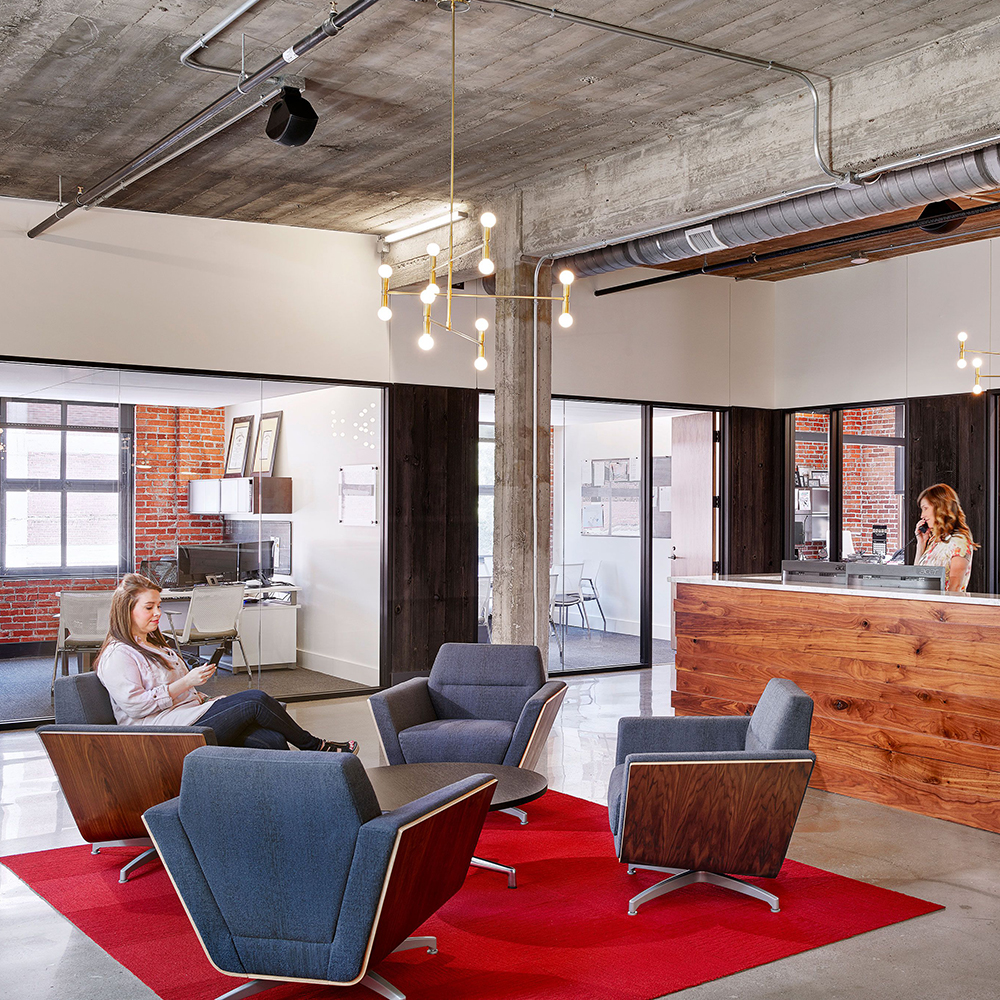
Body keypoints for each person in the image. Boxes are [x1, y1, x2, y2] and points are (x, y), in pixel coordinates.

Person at [95, 573, 358, 753]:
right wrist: (186, 682)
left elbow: (181, 693)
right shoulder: (118, 655)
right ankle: (317, 747)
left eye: (159, 606)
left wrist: (205, 699)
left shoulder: (155, 645)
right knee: (256, 700)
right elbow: (136, 706)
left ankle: (286, 797)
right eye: (149, 607)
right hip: (164, 732)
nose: (158, 613)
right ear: (127, 610)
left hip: (187, 716)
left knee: (271, 740)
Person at [914, 483, 977, 594]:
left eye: (925, 508)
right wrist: (921, 543)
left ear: (940, 507)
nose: (922, 515)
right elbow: (916, 578)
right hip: (927, 603)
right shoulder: (935, 541)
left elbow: (955, 586)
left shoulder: (959, 541)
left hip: (943, 605)